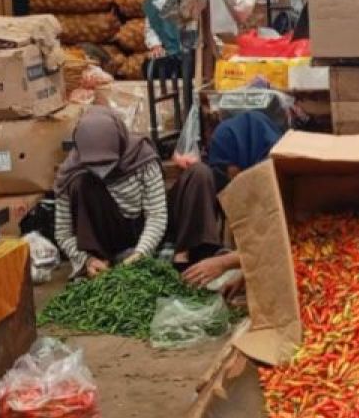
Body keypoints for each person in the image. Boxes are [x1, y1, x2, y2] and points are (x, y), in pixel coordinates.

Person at [54, 106, 221, 278]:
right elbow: (63, 233)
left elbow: (156, 214)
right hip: (108, 242)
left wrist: (140, 254)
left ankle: (188, 258)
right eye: (94, 165)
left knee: (200, 173)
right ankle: (102, 264)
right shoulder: (72, 172)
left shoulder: (141, 156)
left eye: (108, 162)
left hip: (147, 230)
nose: (102, 170)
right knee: (81, 183)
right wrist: (87, 260)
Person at [181, 111, 283, 297]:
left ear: (242, 150)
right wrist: (245, 276)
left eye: (227, 167)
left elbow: (281, 241)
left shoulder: (279, 175)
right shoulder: (261, 171)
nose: (228, 176)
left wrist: (223, 263)